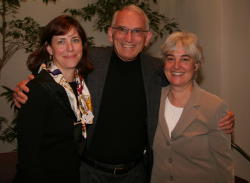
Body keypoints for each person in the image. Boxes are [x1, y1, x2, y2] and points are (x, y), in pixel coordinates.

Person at [13, 5, 235, 183]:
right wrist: (27, 85)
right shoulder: (90, 61)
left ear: (147, 37)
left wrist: (217, 115)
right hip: (87, 172)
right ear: (111, 33)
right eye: (122, 29)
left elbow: (184, 77)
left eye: (137, 31)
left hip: (136, 173)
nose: (129, 37)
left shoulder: (157, 69)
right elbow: (59, 69)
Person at [14, 15, 93, 183]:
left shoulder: (83, 86)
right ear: (49, 48)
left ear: (83, 45)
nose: (70, 48)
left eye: (75, 40)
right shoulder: (36, 89)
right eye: (61, 41)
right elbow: (28, 158)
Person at [151, 32, 234, 183]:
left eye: (185, 59)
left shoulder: (214, 106)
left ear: (196, 65)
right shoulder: (154, 99)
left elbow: (224, 165)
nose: (176, 66)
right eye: (170, 59)